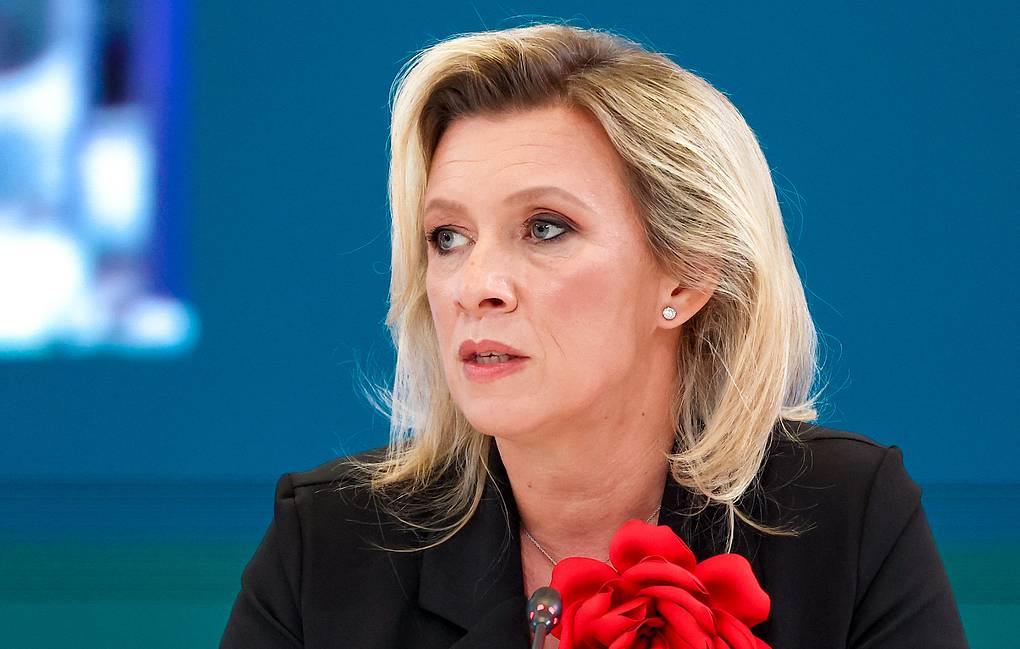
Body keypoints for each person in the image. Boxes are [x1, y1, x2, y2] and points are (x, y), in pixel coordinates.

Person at [219, 23, 968, 649]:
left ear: (685, 276)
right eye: (447, 236)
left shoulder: (845, 517)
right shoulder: (327, 542)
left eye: (545, 228)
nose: (476, 284)